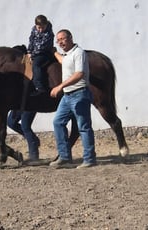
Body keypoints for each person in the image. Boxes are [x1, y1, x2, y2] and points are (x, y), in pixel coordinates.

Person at [49, 29, 97, 169]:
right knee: (58, 122)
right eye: (58, 41)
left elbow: (79, 74)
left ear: (70, 38)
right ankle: (64, 157)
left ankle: (89, 159)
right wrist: (53, 52)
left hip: (79, 93)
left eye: (63, 39)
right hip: (67, 96)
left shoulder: (79, 53)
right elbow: (63, 61)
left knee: (83, 127)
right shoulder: (68, 55)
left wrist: (60, 86)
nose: (61, 42)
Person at [27, 14, 54, 97]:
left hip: (44, 53)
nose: (41, 30)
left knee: (36, 65)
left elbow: (41, 46)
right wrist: (29, 51)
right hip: (34, 53)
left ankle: (39, 87)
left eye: (43, 27)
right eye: (39, 28)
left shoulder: (49, 34)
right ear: (36, 26)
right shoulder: (34, 30)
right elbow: (31, 40)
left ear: (46, 25)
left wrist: (32, 55)